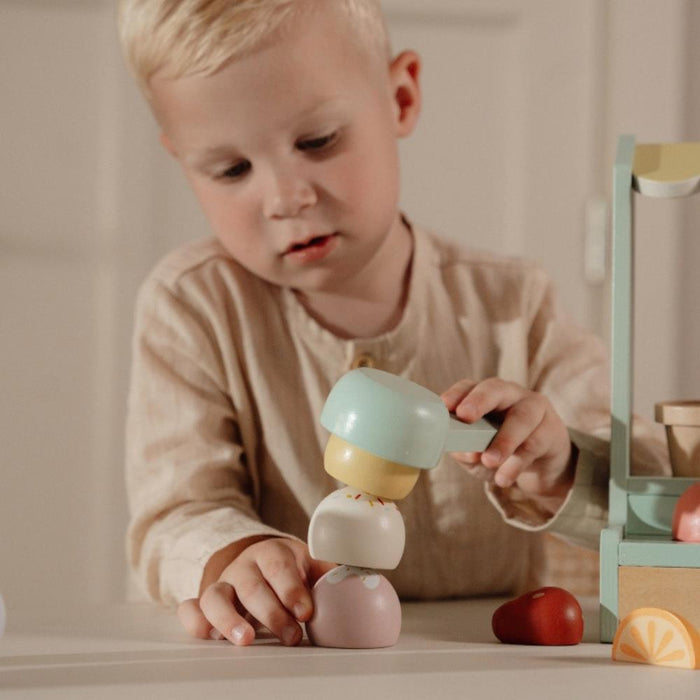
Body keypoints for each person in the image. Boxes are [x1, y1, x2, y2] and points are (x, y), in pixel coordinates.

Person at [117, 0, 668, 647]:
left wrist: (559, 464)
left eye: (317, 141)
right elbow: (176, 513)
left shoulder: (512, 302)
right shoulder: (193, 306)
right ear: (181, 160)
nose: (285, 197)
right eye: (231, 169)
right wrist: (232, 556)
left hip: (481, 664)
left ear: (401, 97)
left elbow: (649, 493)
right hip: (283, 670)